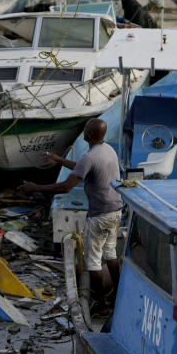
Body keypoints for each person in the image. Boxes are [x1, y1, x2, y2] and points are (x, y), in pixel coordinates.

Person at [17, 119, 123, 314]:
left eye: (86, 129)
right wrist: (60, 160)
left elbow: (65, 187)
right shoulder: (107, 149)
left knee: (93, 262)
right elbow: (84, 168)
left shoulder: (89, 156)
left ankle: (100, 306)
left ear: (89, 134)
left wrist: (34, 188)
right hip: (115, 210)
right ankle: (119, 297)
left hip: (99, 215)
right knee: (110, 254)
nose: (83, 130)